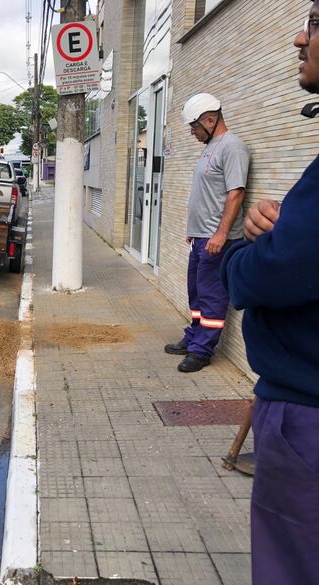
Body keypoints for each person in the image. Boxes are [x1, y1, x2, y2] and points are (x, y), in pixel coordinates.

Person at [221, 6, 319, 582]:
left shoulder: (230, 150)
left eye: (314, 20)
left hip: (306, 417)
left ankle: (197, 348)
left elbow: (272, 273)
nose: (299, 36)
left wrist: (235, 248)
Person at [163, 93, 250, 372]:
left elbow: (235, 193)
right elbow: (207, 193)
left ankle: (202, 351)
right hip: (201, 236)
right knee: (196, 293)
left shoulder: (232, 147)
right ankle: (193, 338)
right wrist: (194, 229)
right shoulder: (211, 146)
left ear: (210, 120)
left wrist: (221, 234)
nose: (192, 132)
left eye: (194, 127)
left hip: (217, 240)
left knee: (211, 295)